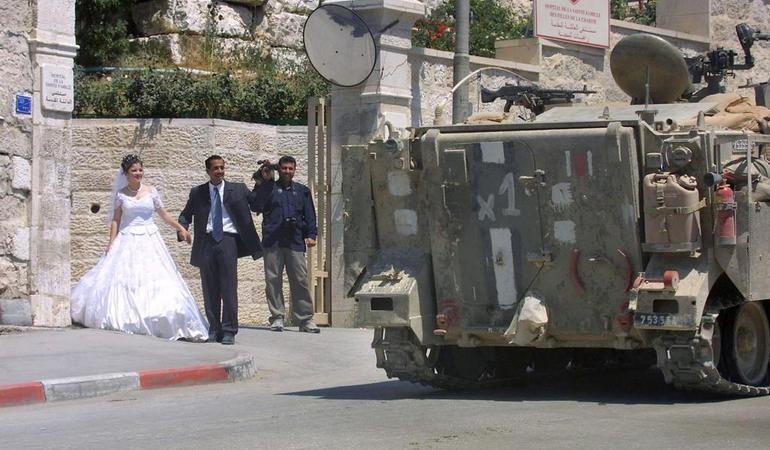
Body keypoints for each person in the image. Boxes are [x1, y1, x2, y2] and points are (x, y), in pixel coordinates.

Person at [70, 154, 209, 341]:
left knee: (156, 277)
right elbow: (116, 220)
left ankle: (161, 317)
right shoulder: (121, 195)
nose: (138, 173)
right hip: (127, 238)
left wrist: (180, 228)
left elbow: (164, 215)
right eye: (134, 170)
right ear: (126, 174)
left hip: (150, 238)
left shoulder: (151, 191)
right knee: (125, 277)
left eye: (140, 170)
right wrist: (111, 242)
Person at [178, 155, 263, 345]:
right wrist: (182, 229)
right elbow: (185, 215)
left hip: (227, 240)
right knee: (210, 288)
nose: (219, 171)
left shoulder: (238, 189)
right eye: (215, 168)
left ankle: (229, 330)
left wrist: (263, 183)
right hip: (206, 242)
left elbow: (258, 204)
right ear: (208, 171)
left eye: (222, 167)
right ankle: (214, 328)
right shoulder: (198, 192)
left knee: (228, 287)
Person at [254, 155, 320, 333]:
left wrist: (311, 234)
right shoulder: (269, 188)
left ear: (295, 170)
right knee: (273, 280)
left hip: (295, 241)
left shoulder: (302, 191)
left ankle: (305, 319)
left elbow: (310, 214)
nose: (287, 171)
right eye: (284, 168)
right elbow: (256, 205)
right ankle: (277, 317)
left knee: (300, 280)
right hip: (272, 241)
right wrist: (263, 182)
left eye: (291, 169)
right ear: (279, 169)